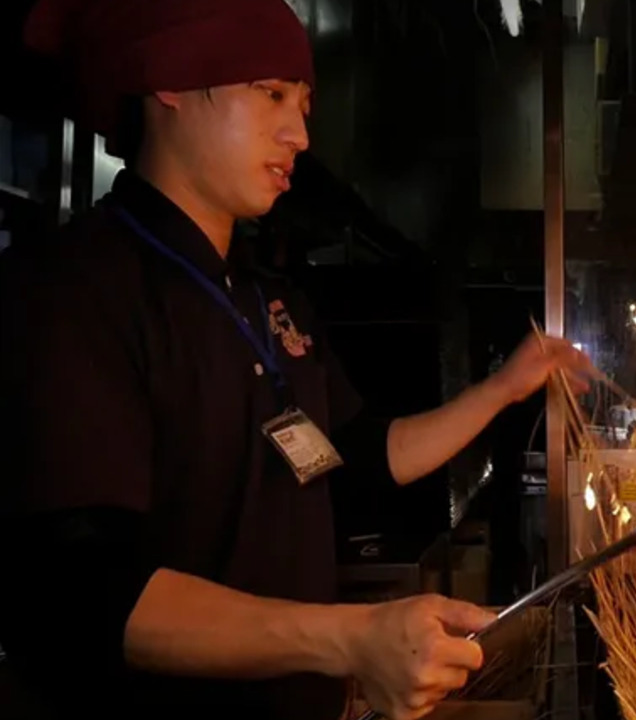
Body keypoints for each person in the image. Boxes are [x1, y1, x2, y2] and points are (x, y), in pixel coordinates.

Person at [0, 1, 591, 719]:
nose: (300, 134)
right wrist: (348, 639)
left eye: (304, 104)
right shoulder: (77, 290)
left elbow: (365, 457)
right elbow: (87, 589)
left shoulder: (265, 298)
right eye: (272, 94)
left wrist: (504, 388)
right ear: (172, 83)